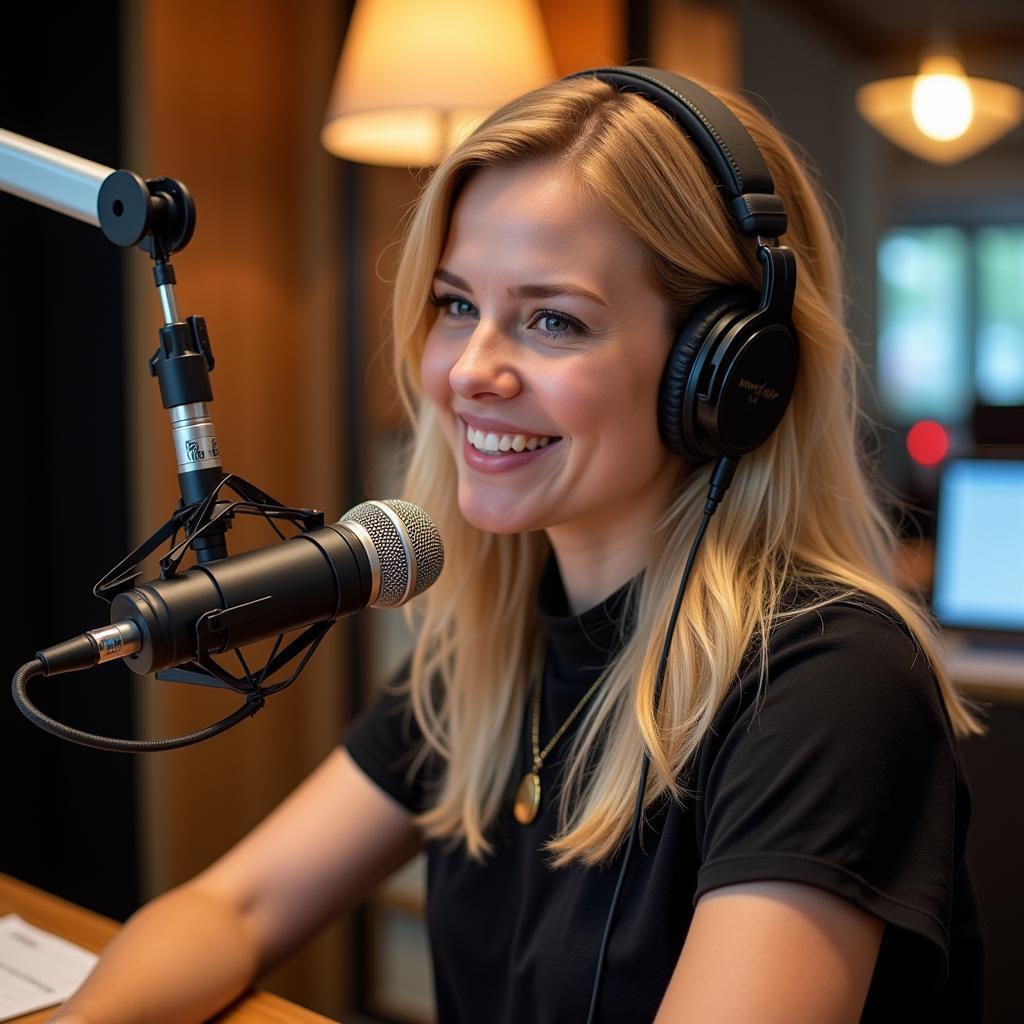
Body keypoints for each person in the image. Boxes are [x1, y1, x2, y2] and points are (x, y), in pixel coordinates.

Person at [51, 69, 983, 1024]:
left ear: (729, 376)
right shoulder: (490, 652)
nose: (469, 372)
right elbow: (235, 906)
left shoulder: (831, 681)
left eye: (553, 320)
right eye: (456, 304)